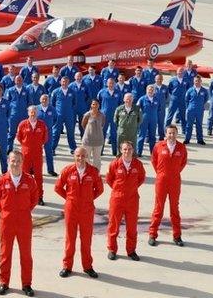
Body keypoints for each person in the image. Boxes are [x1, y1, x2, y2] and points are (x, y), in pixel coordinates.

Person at [0, 150, 38, 297]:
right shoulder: (2, 181)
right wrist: (6, 212)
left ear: (22, 162)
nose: (16, 163)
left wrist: (24, 211)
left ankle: (26, 284)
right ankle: (4, 282)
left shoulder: (29, 180)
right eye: (13, 160)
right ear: (8, 162)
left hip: (24, 222)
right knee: (5, 253)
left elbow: (34, 199)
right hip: (6, 222)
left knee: (26, 255)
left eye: (18, 161)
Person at [55, 147, 103, 279]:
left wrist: (88, 199)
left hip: (87, 210)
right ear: (74, 157)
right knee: (70, 238)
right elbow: (58, 187)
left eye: (83, 156)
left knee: (86, 239)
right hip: (71, 209)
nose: (80, 158)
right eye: (78, 156)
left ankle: (87, 266)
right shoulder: (67, 171)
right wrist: (69, 198)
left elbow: (99, 189)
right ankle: (67, 266)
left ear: (87, 156)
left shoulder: (93, 171)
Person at [105, 141, 145, 261]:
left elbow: (141, 178)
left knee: (132, 227)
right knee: (114, 226)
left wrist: (131, 189)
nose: (127, 151)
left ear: (133, 150)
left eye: (129, 149)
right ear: (121, 151)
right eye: (125, 149)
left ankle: (131, 250)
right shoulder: (114, 164)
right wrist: (119, 190)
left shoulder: (138, 164)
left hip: (132, 199)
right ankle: (112, 249)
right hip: (117, 199)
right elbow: (109, 179)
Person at [149, 124, 187, 247]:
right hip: (161, 181)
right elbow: (154, 160)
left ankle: (177, 236)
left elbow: (183, 162)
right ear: (166, 134)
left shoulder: (181, 148)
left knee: (174, 209)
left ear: (177, 134)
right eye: (169, 133)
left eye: (174, 133)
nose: (171, 135)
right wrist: (161, 173)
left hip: (175, 181)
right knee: (158, 208)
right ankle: (152, 234)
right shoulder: (159, 146)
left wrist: (174, 173)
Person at [16, 106, 48, 206]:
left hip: (37, 153)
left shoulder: (42, 125)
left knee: (38, 176)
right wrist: (26, 145)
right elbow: (19, 137)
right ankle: (25, 196)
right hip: (26, 153)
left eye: (34, 112)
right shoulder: (22, 124)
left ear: (37, 113)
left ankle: (39, 197)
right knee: (25, 176)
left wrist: (37, 145)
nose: (33, 114)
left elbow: (45, 138)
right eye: (31, 112)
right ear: (28, 113)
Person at [50, 76, 77, 154]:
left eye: (66, 81)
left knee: (71, 132)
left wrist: (70, 111)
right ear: (60, 82)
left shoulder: (72, 92)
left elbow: (75, 103)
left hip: (69, 115)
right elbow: (52, 103)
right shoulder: (55, 92)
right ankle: (52, 148)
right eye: (63, 81)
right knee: (56, 132)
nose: (64, 83)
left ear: (69, 82)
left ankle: (73, 148)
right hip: (58, 116)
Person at [5, 75, 30, 152]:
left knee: (25, 133)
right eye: (17, 80)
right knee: (11, 133)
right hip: (13, 116)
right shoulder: (10, 90)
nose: (18, 81)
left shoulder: (26, 90)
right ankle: (9, 148)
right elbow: (7, 102)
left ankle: (25, 148)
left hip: (24, 115)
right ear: (15, 81)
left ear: (22, 81)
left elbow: (29, 102)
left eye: (20, 80)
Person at [97, 78, 122, 156]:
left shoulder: (118, 92)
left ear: (115, 84)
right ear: (107, 84)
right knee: (102, 133)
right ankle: (100, 151)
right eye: (109, 83)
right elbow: (98, 102)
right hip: (104, 116)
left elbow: (120, 103)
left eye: (112, 83)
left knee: (114, 134)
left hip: (115, 116)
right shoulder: (102, 92)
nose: (111, 85)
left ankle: (115, 151)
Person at [81, 99, 105, 172]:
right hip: (88, 140)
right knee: (86, 158)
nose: (95, 106)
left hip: (98, 141)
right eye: (93, 104)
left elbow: (102, 125)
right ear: (91, 105)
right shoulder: (87, 114)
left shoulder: (102, 115)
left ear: (99, 105)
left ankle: (96, 173)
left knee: (97, 159)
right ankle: (86, 172)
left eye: (96, 104)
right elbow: (83, 124)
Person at [184, 75, 209, 145]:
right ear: (193, 82)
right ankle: (187, 139)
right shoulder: (190, 90)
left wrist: (200, 105)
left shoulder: (204, 91)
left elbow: (206, 99)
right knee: (189, 125)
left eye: (198, 81)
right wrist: (189, 107)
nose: (197, 82)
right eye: (196, 81)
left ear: (201, 82)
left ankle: (200, 140)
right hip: (191, 110)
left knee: (199, 125)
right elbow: (186, 99)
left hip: (200, 110)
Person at [136, 85, 159, 156]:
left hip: (153, 120)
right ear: (146, 90)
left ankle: (152, 153)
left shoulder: (157, 99)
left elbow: (159, 109)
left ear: (154, 91)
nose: (151, 91)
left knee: (152, 136)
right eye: (149, 89)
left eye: (152, 90)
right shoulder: (142, 99)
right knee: (141, 136)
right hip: (144, 120)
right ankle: (138, 152)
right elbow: (137, 109)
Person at [37, 94, 56, 176]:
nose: (44, 101)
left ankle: (50, 170)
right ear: (40, 100)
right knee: (37, 152)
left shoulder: (52, 109)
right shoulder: (36, 109)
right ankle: (33, 169)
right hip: (38, 133)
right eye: (43, 99)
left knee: (49, 152)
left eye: (46, 99)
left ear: (49, 100)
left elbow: (55, 119)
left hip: (48, 133)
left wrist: (49, 126)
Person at [69, 72, 90, 137]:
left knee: (83, 123)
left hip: (82, 107)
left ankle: (83, 137)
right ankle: (72, 137)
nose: (79, 78)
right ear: (75, 77)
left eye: (80, 76)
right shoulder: (71, 85)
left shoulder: (85, 85)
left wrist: (86, 105)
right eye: (77, 76)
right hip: (73, 108)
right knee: (72, 123)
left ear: (82, 77)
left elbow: (89, 96)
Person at [153, 74, 169, 140]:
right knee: (153, 123)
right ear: (155, 79)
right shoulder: (152, 87)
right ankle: (150, 136)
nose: (159, 80)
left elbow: (166, 96)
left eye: (160, 79)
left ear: (162, 79)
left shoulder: (165, 87)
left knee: (161, 122)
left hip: (162, 108)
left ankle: (161, 136)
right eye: (157, 79)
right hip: (153, 108)